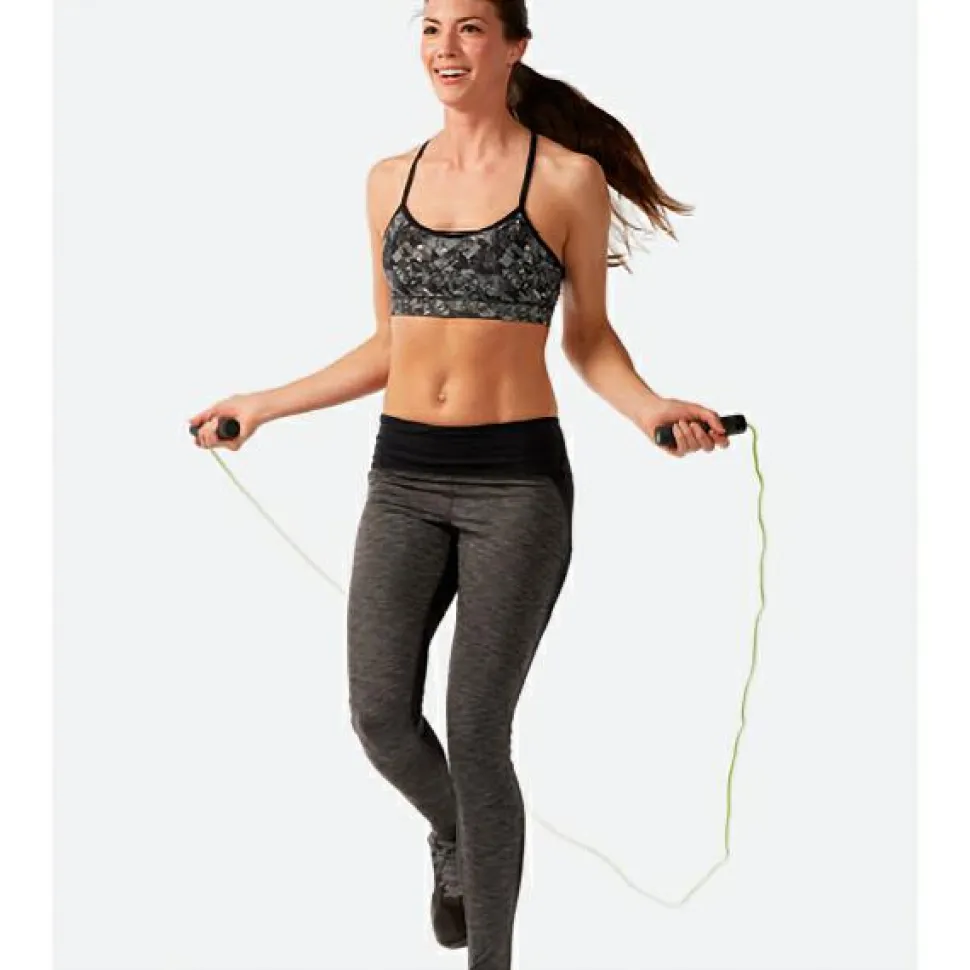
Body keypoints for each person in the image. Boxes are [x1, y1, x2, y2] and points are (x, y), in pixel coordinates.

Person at [188, 1, 730, 966]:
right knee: (378, 717)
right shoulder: (388, 179)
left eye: (471, 28)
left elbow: (589, 340)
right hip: (402, 477)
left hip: (515, 488)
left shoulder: (566, 179)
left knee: (477, 734)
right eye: (431, 27)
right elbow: (389, 343)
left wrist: (651, 410)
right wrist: (263, 404)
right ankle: (456, 838)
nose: (446, 47)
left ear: (515, 45)